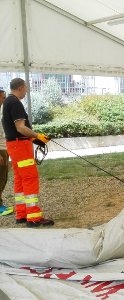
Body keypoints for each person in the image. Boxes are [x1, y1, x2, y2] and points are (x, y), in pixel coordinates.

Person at [2, 78, 54, 227]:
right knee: (30, 178)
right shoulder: (15, 103)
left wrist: (35, 140)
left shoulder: (7, 102)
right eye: (26, 88)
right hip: (20, 146)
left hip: (13, 145)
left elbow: (15, 130)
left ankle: (21, 214)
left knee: (20, 179)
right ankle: (34, 217)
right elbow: (20, 128)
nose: (26, 91)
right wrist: (37, 136)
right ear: (21, 87)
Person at [0, 89, 10, 214]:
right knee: (1, 178)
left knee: (4, 178)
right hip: (0, 149)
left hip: (4, 147)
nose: (4, 99)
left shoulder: (2, 112)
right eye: (2, 97)